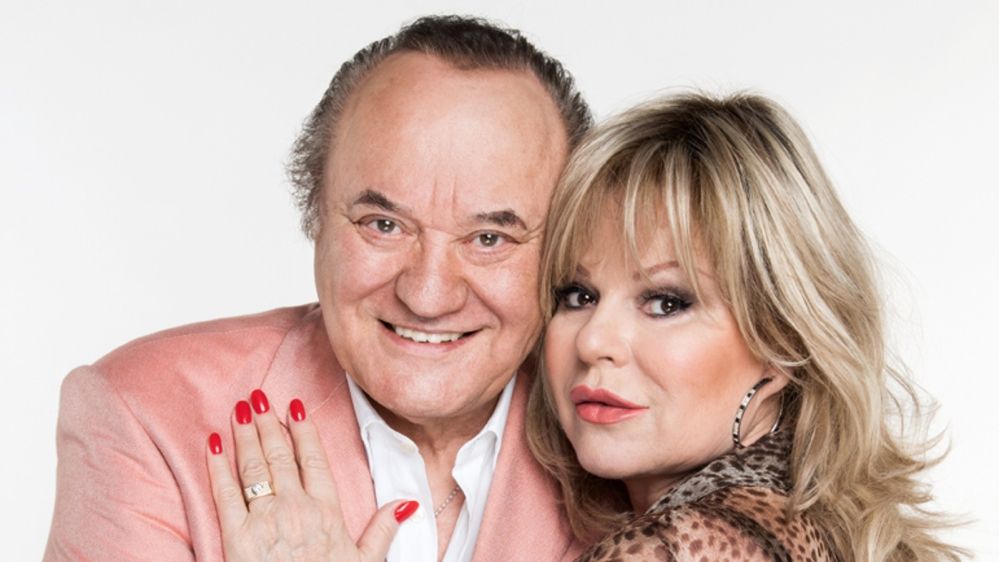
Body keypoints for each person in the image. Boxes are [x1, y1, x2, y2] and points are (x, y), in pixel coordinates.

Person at [44, 16, 591, 562]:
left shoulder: (617, 432)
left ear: (565, 250)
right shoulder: (146, 416)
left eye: (490, 238)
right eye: (384, 225)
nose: (427, 296)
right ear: (317, 217)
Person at [527, 93, 965, 560]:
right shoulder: (819, 527)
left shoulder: (665, 550)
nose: (593, 341)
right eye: (578, 296)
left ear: (781, 342)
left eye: (665, 303)